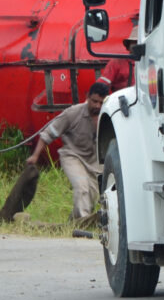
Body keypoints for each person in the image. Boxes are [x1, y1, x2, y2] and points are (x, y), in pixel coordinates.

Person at [27, 82, 109, 224]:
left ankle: (73, 222)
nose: (97, 106)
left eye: (101, 103)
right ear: (87, 97)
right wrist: (35, 156)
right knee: (81, 187)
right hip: (73, 156)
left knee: (93, 195)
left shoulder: (107, 115)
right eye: (94, 101)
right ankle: (84, 224)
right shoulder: (73, 113)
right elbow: (48, 134)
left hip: (94, 160)